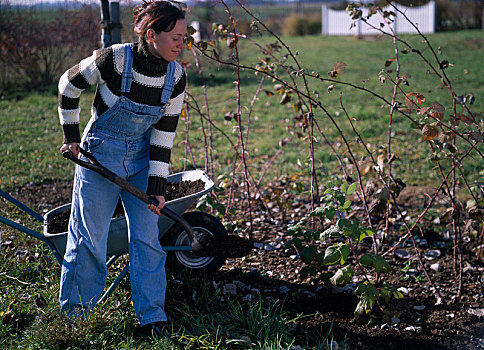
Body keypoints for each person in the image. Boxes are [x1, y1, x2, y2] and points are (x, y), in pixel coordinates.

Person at [57, 0, 187, 338]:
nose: (181, 44)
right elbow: (68, 85)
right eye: (175, 37)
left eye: (184, 37)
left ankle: (152, 318)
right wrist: (72, 139)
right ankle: (77, 319)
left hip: (144, 158)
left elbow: (163, 135)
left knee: (148, 239)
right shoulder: (114, 59)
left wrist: (157, 187)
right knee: (89, 238)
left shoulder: (176, 76)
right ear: (150, 34)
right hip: (100, 153)